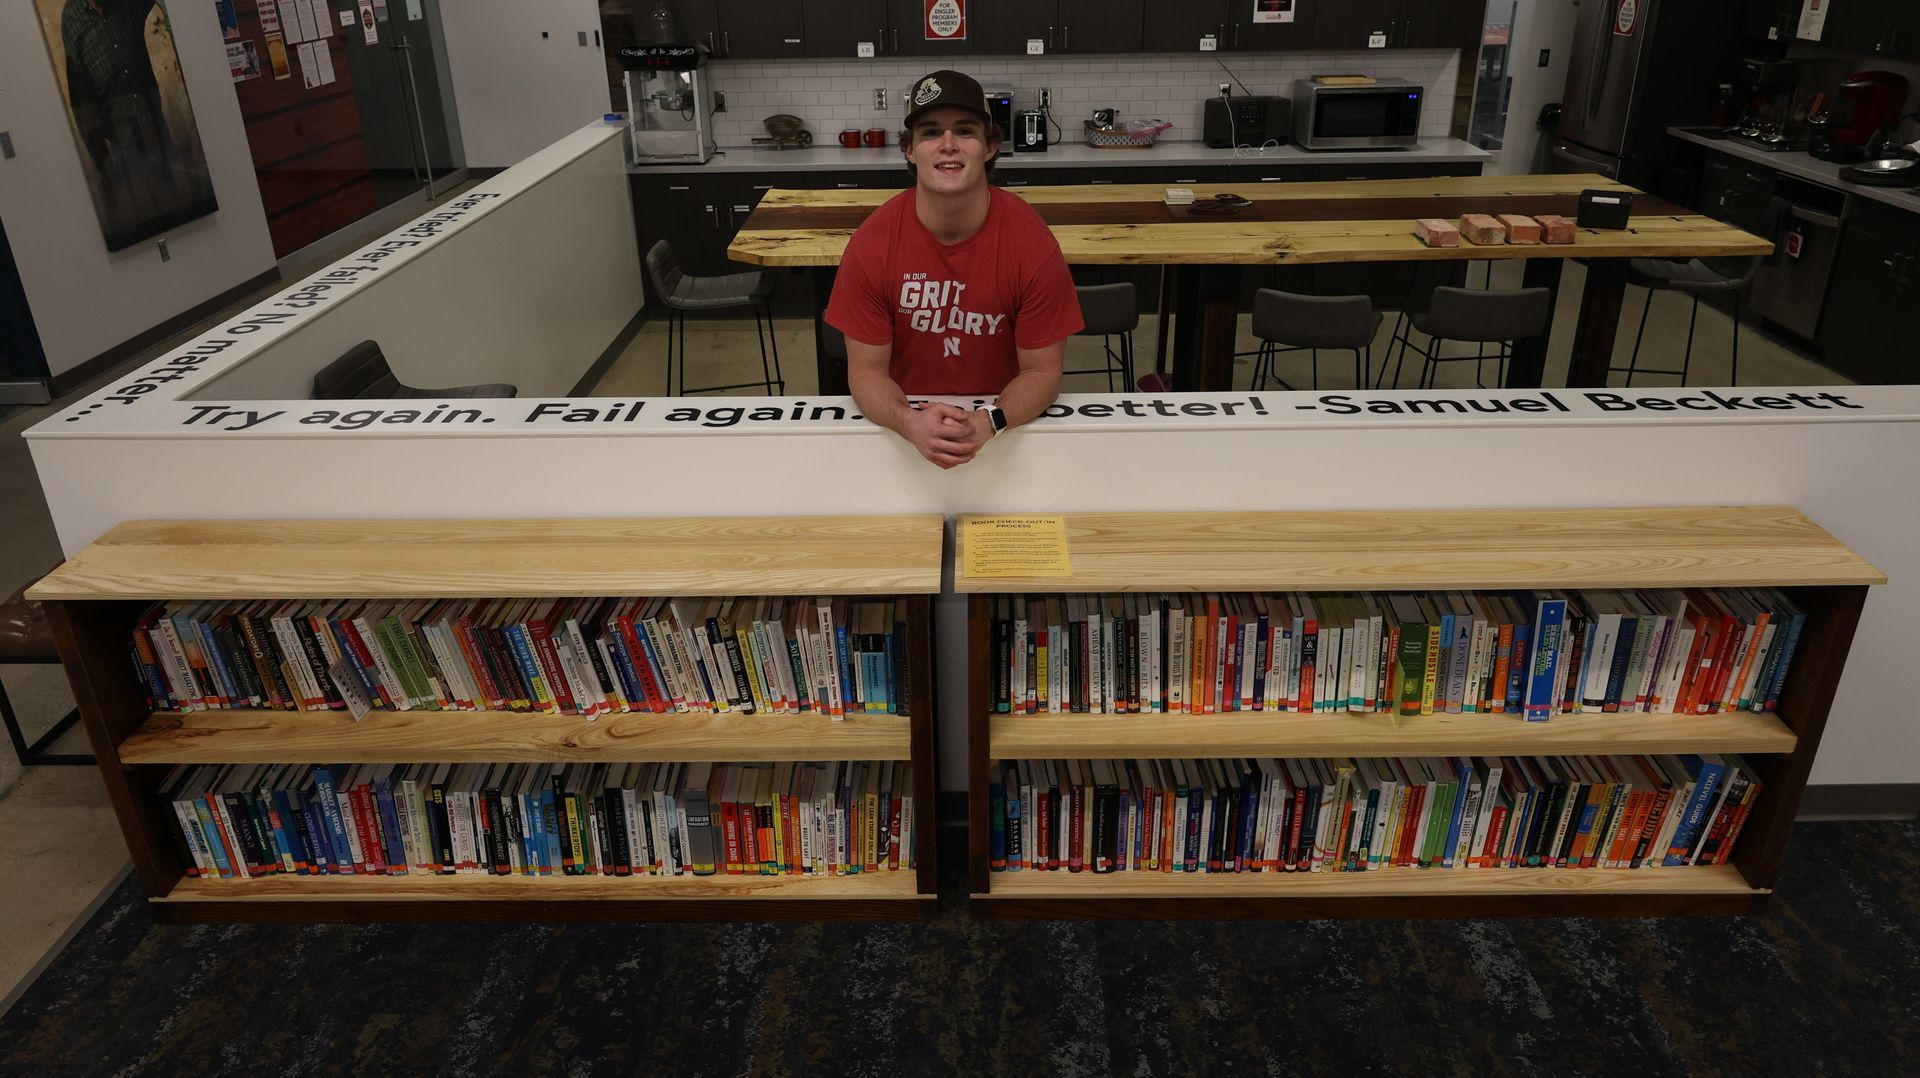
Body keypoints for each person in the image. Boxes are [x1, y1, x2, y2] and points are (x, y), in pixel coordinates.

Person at [825, 69, 1083, 469]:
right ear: (909, 150)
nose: (947, 145)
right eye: (930, 133)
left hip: (1005, 420)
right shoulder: (873, 242)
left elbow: (1043, 373)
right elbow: (866, 374)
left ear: (990, 146)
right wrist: (908, 422)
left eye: (964, 131)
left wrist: (990, 421)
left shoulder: (1030, 242)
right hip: (902, 422)